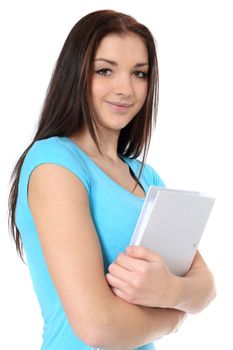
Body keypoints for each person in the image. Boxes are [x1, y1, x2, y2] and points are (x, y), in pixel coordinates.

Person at [8, 9, 216, 350]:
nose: (125, 88)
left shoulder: (146, 177)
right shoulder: (54, 163)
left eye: (140, 73)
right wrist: (176, 315)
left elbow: (206, 286)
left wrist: (173, 291)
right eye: (105, 70)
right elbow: (97, 328)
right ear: (76, 75)